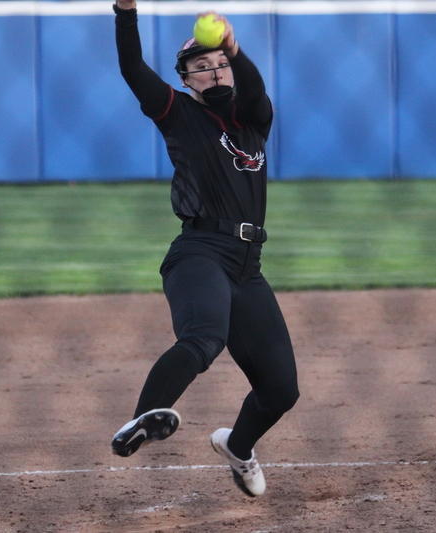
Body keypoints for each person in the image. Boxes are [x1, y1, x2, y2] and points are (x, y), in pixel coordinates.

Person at [110, 0, 299, 498]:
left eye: (220, 63)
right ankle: (139, 422)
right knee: (203, 338)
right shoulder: (177, 113)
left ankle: (237, 447)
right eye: (201, 66)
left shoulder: (254, 119)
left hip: (248, 268)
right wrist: (126, 10)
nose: (213, 71)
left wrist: (235, 49)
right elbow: (132, 67)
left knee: (282, 390)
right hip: (198, 252)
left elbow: (255, 89)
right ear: (187, 79)